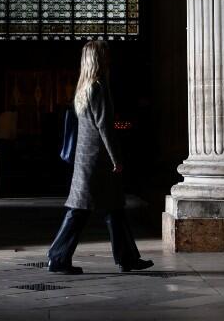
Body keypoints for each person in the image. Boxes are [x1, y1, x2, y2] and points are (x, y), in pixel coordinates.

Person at [47, 40, 153, 274]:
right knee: (81, 210)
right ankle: (58, 257)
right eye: (105, 55)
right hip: (99, 161)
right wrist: (117, 158)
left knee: (111, 209)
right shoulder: (98, 87)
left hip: (86, 158)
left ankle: (127, 258)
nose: (109, 59)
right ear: (98, 59)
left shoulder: (83, 88)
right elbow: (105, 126)